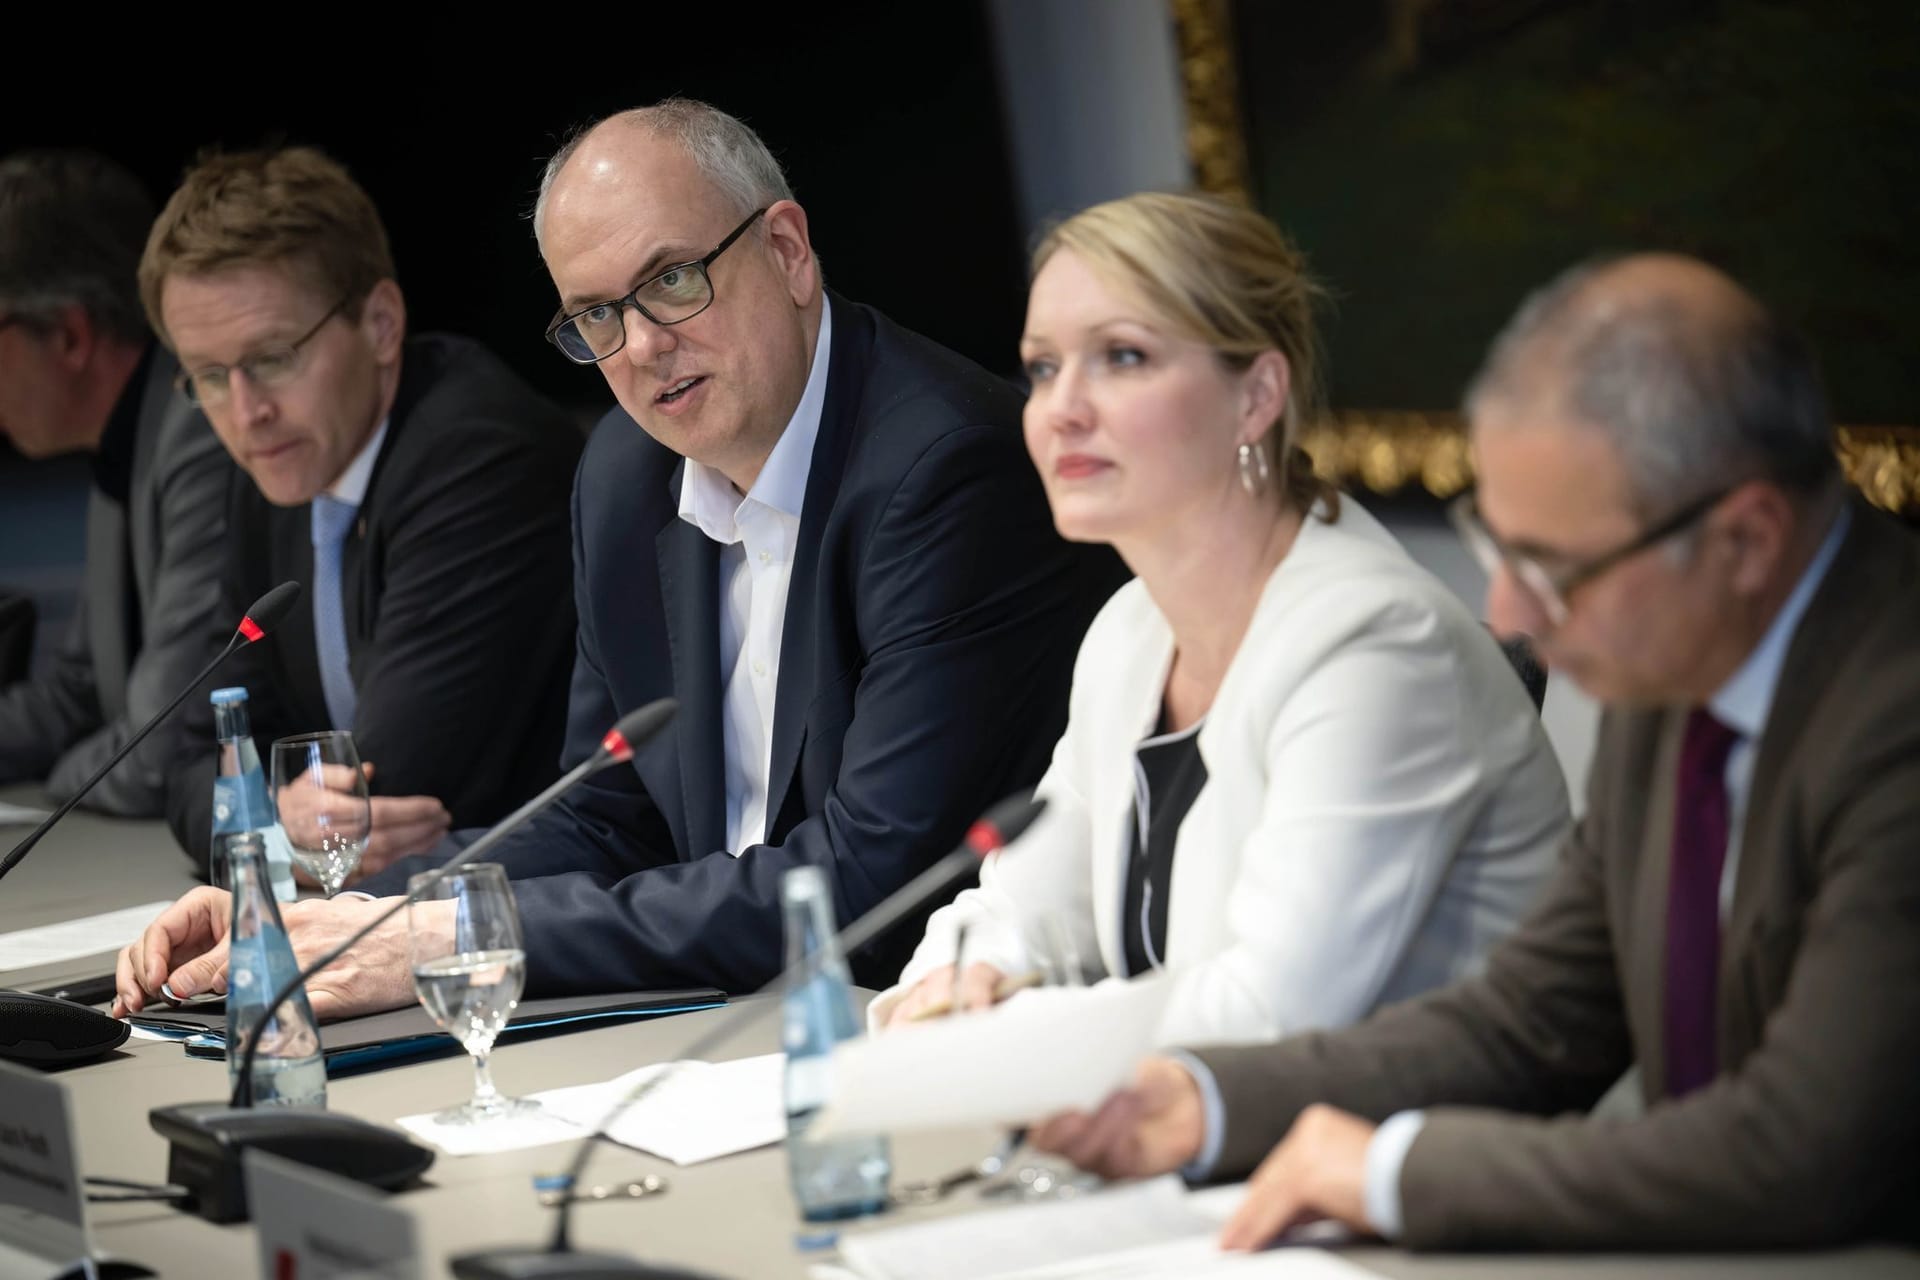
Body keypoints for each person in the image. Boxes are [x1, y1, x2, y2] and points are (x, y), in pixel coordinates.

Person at [113, 100, 1121, 1019]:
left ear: (787, 251)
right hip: (710, 1013)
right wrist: (332, 907)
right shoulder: (628, 472)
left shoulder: (944, 471)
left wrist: (453, 932)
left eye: (672, 282)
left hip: (909, 1016)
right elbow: (604, 812)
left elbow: (861, 883)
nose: (639, 346)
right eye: (596, 314)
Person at [1031, 254, 1920, 1252]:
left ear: (1747, 540)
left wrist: (1393, 1172)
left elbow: (1806, 1149)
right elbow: (1535, 1016)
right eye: (1497, 549)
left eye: (1548, 566)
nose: (1506, 613)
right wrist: (1206, 1095)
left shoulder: (1893, 717)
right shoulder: (1680, 657)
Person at [873, 192, 1568, 1045]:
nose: (1063, 408)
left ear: (1257, 395)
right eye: (1045, 367)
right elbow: (1023, 902)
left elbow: (1268, 1017)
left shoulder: (1379, 644)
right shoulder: (1131, 632)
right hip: (1199, 1146)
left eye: (1122, 357)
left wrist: (995, 1028)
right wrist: (957, 977)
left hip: (1412, 1160)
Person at [142, 145, 581, 884]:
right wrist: (284, 827)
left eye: (274, 357)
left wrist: (273, 822)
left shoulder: (478, 456)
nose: (246, 412)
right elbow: (189, 759)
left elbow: (390, 792)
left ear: (379, 324)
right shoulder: (273, 469)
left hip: (539, 916)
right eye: (210, 377)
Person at [0, 149, 231, 816]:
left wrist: (55, 788)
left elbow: (155, 750)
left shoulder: (200, 425)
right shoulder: (125, 441)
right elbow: (78, 695)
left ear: (71, 336)